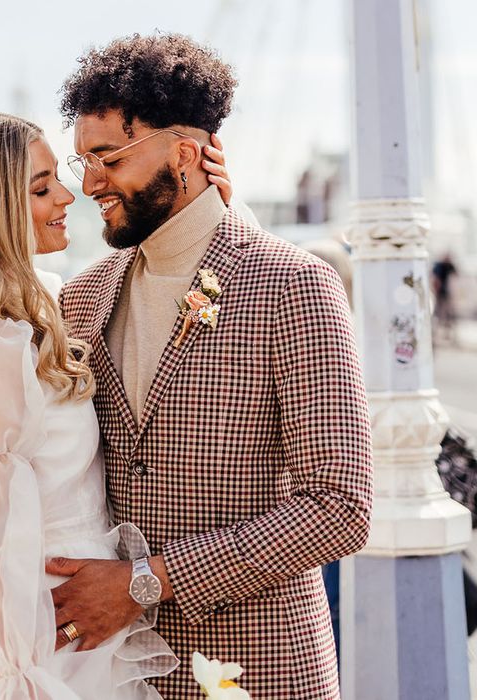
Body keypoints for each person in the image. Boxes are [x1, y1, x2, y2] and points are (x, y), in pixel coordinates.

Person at [48, 34, 374, 699]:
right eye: (81, 161)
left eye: (107, 157)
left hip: (260, 672)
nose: (88, 185)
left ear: (186, 154)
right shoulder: (80, 297)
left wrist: (150, 582)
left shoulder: (294, 286)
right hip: (107, 673)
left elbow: (341, 506)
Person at [0, 111, 233, 699]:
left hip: (86, 621)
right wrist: (20, 678)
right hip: (44, 637)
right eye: (42, 188)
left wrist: (215, 211)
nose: (70, 194)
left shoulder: (42, 303)